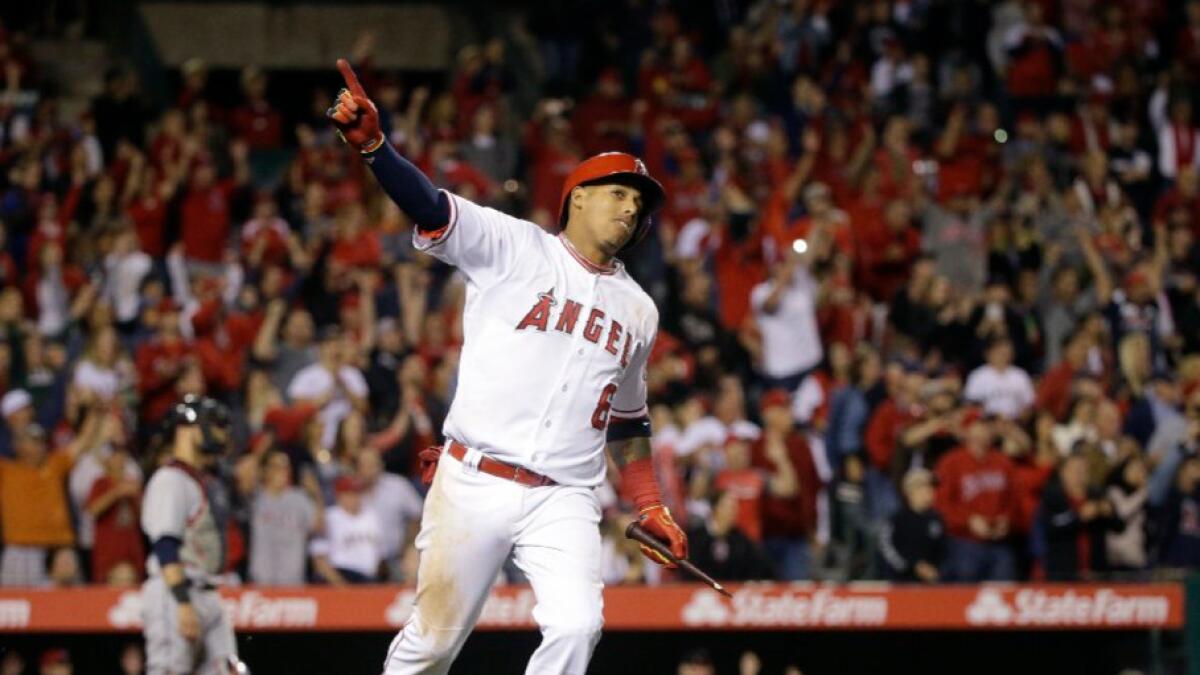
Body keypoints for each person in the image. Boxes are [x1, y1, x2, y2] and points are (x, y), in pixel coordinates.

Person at [328, 59, 686, 674]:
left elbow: (627, 421)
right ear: (577, 197)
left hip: (565, 496)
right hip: (475, 478)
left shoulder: (639, 310)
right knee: (433, 645)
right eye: (618, 193)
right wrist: (377, 150)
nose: (630, 209)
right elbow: (432, 207)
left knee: (577, 627)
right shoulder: (515, 245)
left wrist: (650, 504)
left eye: (638, 202)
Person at [139, 395, 242, 674]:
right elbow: (165, 545)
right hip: (177, 590)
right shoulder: (169, 479)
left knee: (228, 670)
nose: (219, 433)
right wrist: (182, 602)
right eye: (212, 425)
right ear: (186, 428)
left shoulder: (198, 479)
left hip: (208, 591)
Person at [879, 468, 946, 582]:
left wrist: (937, 570)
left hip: (931, 584)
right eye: (925, 486)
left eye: (931, 487)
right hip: (901, 583)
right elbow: (886, 548)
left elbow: (944, 551)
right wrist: (913, 566)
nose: (930, 491)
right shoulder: (897, 520)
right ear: (910, 491)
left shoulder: (936, 519)